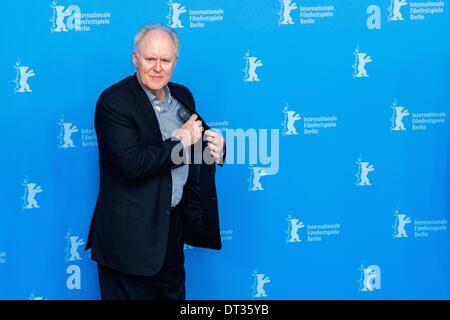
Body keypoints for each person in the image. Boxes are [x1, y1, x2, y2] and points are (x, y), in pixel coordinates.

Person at [85, 24, 225, 300]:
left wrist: (217, 149)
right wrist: (180, 142)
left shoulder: (182, 95)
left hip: (170, 229)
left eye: (165, 60)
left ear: (175, 62)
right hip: (128, 238)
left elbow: (196, 145)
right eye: (150, 59)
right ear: (135, 58)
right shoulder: (113, 102)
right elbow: (132, 164)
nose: (157, 67)